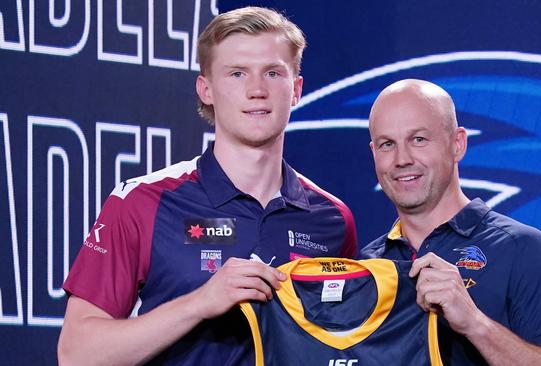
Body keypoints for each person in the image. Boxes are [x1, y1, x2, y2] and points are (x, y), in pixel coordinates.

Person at [58, 7, 357, 365]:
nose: (257, 90)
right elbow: (76, 355)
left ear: (295, 90)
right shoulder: (142, 202)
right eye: (237, 73)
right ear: (206, 89)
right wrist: (199, 303)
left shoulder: (333, 219)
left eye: (273, 73)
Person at [360, 79, 541, 365]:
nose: (402, 159)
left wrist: (474, 323)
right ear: (373, 153)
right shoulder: (367, 265)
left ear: (457, 144)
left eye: (418, 139)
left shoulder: (522, 249)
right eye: (387, 144)